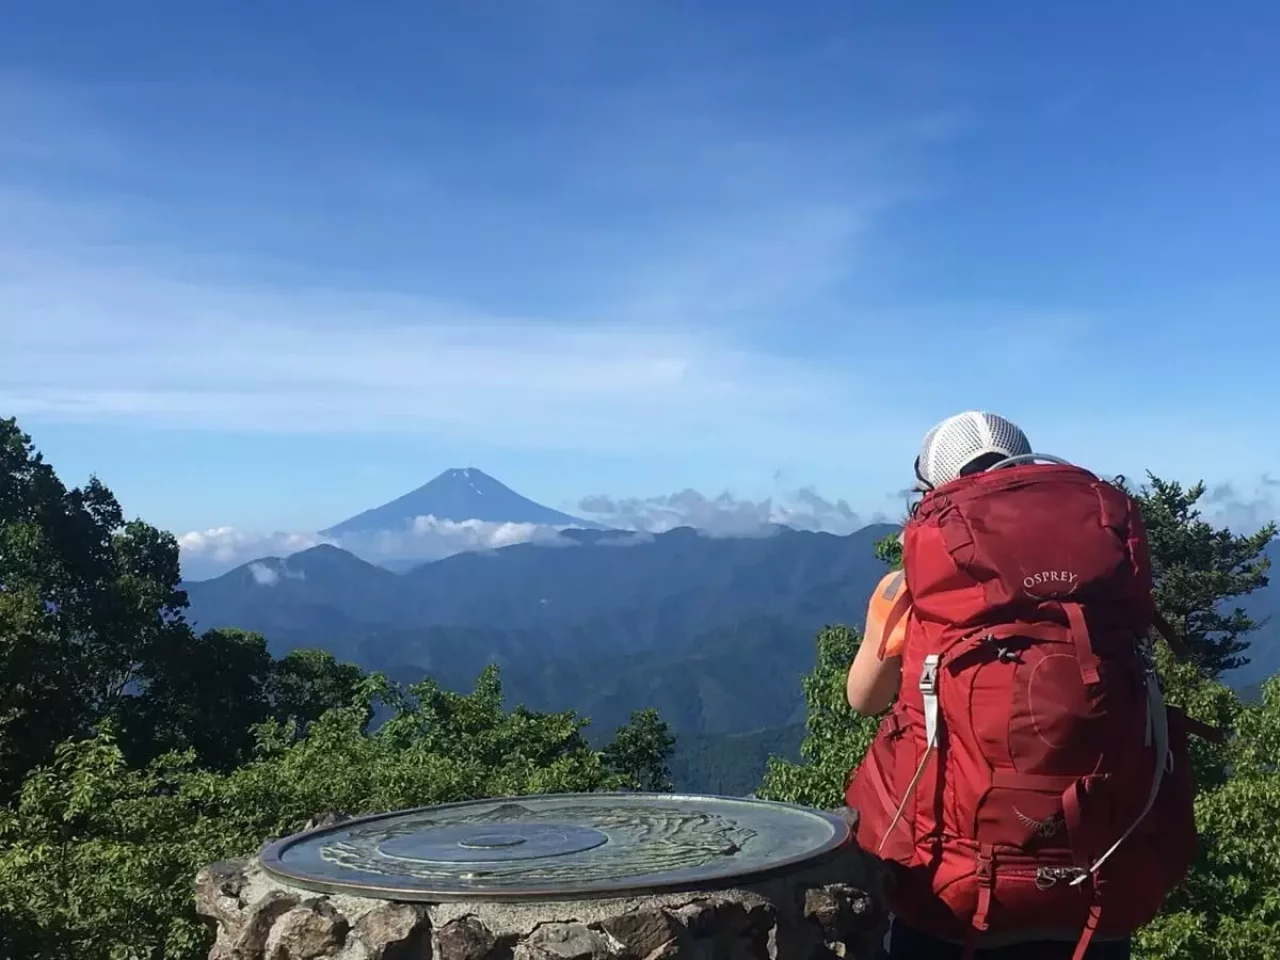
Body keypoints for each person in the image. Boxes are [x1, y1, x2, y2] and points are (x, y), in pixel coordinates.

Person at [843, 412, 1200, 960]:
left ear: (933, 493)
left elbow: (863, 700)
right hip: (1099, 885)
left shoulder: (908, 591)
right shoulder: (1102, 586)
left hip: (951, 895)